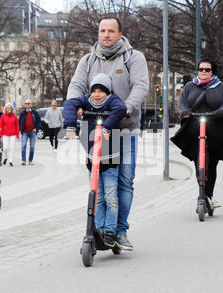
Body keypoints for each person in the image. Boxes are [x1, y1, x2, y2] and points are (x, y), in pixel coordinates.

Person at [67, 15, 149, 251]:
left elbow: (140, 86)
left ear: (120, 34)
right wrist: (76, 105)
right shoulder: (88, 59)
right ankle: (102, 228)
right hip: (97, 130)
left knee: (125, 181)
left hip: (125, 129)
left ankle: (120, 231)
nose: (106, 35)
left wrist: (128, 107)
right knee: (100, 184)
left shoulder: (134, 57)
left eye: (111, 31)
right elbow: (76, 85)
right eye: (102, 31)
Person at [171, 57, 223, 209]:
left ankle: (208, 195)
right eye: (201, 69)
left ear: (212, 72)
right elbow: (182, 101)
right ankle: (201, 188)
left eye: (207, 70)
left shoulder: (221, 86)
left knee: (213, 162)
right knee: (199, 159)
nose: (203, 72)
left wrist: (219, 112)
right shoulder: (190, 86)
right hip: (194, 125)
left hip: (215, 126)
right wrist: (185, 111)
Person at [64, 73, 127, 248]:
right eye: (95, 91)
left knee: (110, 197)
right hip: (93, 158)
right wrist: (70, 124)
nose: (97, 94)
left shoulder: (112, 101)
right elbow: (69, 103)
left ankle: (110, 231)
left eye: (101, 91)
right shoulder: (86, 101)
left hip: (110, 159)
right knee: (97, 197)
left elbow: (121, 109)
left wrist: (107, 126)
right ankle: (98, 229)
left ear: (107, 92)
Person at [18, 98, 41, 165]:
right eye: (26, 103)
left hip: (32, 132)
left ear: (31, 104)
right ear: (25, 105)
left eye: (28, 103)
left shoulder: (34, 112)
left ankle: (30, 160)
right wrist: (20, 129)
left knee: (32, 147)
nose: (27, 105)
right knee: (23, 145)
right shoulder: (22, 113)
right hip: (24, 132)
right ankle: (23, 160)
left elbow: (39, 120)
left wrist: (36, 128)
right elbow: (19, 122)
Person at [0, 103, 20, 167]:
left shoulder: (14, 116)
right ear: (6, 109)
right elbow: (0, 126)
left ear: (12, 109)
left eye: (10, 108)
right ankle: (5, 157)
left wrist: (17, 135)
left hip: (13, 134)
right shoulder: (3, 116)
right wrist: (0, 134)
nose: (9, 109)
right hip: (5, 134)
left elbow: (17, 126)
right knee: (5, 148)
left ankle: (10, 161)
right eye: (8, 108)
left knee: (11, 148)